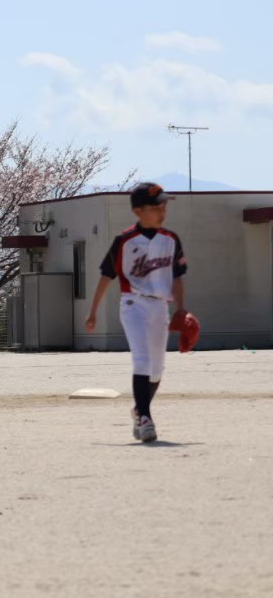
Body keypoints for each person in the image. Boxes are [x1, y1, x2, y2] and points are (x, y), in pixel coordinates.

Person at [84, 182, 188, 443]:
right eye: (156, 206)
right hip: (133, 304)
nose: (162, 209)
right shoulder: (124, 241)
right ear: (139, 211)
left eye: (163, 204)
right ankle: (145, 418)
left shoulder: (171, 239)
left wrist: (181, 309)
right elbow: (107, 276)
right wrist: (93, 311)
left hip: (160, 307)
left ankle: (139, 409)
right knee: (142, 360)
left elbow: (177, 277)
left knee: (157, 369)